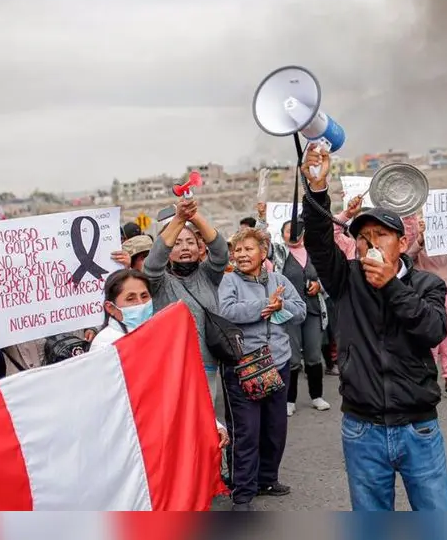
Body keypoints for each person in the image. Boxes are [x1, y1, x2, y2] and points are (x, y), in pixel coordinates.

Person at [301, 145, 447, 511]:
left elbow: (432, 330)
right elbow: (320, 244)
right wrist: (317, 189)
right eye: (361, 236)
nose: (368, 242)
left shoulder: (425, 285)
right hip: (362, 428)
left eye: (380, 235)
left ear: (402, 243)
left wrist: (391, 285)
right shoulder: (346, 279)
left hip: (418, 427)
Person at [218, 227, 305, 511]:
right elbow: (226, 312)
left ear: (263, 252)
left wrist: (280, 305)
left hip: (278, 363)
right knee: (247, 431)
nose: (241, 255)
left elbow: (301, 310)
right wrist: (262, 305)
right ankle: (243, 493)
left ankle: (268, 479)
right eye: (237, 250)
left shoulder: (279, 280)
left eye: (248, 249)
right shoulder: (229, 281)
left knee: (274, 428)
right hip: (245, 367)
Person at [91, 268, 230, 446]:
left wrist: (213, 424)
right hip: (133, 442)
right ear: (111, 308)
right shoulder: (105, 346)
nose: (140, 303)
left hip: (170, 435)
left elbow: (185, 388)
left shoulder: (163, 336)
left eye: (144, 296)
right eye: (130, 298)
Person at [143, 197, 229, 415]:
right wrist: (179, 220)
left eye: (190, 242)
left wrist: (194, 216)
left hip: (207, 366)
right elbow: (152, 264)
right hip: (171, 369)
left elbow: (220, 251)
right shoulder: (158, 282)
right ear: (169, 250)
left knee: (208, 426)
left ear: (199, 248)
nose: (185, 248)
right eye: (177, 243)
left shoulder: (208, 275)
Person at [0, 277, 95, 378]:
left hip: (78, 381)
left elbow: (101, 312)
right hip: (32, 392)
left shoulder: (70, 290)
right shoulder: (5, 305)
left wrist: (93, 328)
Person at [270, 219, 332, 416]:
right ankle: (290, 399)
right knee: (293, 357)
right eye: (289, 231)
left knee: (314, 355)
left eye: (298, 230)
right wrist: (262, 218)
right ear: (282, 235)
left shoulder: (315, 252)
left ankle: (317, 396)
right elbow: (261, 239)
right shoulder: (279, 253)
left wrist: (319, 286)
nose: (294, 234)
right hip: (289, 313)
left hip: (313, 311)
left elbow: (329, 276)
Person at [405, 215, 447, 400]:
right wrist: (421, 238)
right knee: (430, 339)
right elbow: (406, 256)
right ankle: (427, 380)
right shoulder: (410, 224)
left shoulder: (445, 220)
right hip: (427, 291)